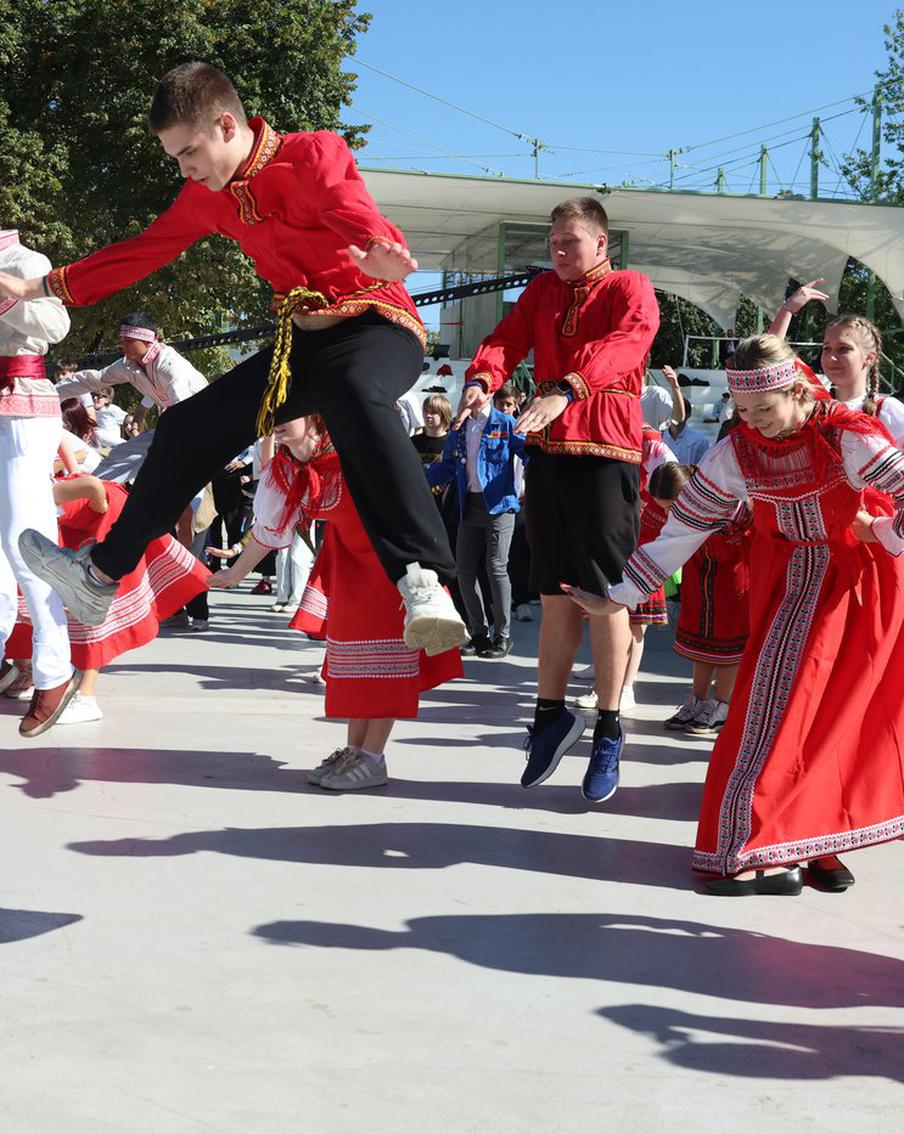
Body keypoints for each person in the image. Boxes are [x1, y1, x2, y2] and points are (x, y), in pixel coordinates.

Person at [4, 61, 464, 657]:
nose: (184, 168)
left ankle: (424, 581)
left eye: (188, 151)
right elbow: (141, 252)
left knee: (353, 390)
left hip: (376, 324)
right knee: (189, 425)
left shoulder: (311, 153)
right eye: (175, 157)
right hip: (299, 346)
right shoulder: (207, 197)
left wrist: (379, 248)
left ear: (226, 125)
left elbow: (346, 202)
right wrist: (35, 289)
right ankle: (99, 576)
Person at [566, 334, 904, 896]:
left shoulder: (847, 435)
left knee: (823, 720)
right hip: (787, 585)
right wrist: (620, 595)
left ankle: (805, 844)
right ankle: (771, 845)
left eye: (764, 409)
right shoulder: (738, 450)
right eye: (743, 410)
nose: (753, 421)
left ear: (798, 390)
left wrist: (885, 533)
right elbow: (684, 528)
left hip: (852, 590)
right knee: (772, 713)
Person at [455, 196, 659, 802]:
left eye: (572, 242)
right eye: (554, 243)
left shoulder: (630, 285)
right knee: (551, 592)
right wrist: (480, 379)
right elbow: (506, 337)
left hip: (607, 449)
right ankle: (550, 715)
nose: (561, 253)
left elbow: (631, 340)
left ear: (602, 244)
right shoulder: (544, 291)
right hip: (547, 449)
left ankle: (609, 726)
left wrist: (569, 387)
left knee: (604, 595)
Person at [210, 415, 462, 789]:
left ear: (314, 418)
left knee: (386, 662)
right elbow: (270, 528)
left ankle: (374, 757)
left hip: (387, 563)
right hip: (346, 562)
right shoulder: (289, 466)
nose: (276, 424)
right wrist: (233, 573)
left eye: (287, 415)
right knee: (353, 664)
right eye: (273, 417)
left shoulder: (355, 452)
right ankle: (355, 751)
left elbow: (409, 505)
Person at [5, 474, 208, 719]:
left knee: (89, 608)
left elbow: (92, 487)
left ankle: (86, 697)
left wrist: (98, 517)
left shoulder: (36, 494)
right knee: (36, 603)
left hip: (104, 527)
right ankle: (25, 670)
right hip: (73, 534)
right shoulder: (18, 498)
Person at [0, 227, 80, 736]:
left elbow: (56, 324)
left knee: (24, 543)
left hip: (24, 408)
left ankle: (56, 670)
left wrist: (7, 292)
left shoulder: (27, 259)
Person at [428, 381, 526, 658]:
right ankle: (478, 632)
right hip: (468, 505)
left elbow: (529, 454)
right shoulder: (460, 429)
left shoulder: (505, 423)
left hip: (499, 506)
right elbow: (447, 466)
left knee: (496, 568)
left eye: (476, 392)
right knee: (464, 569)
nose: (469, 398)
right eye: (465, 393)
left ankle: (502, 635)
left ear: (488, 394)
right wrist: (420, 482)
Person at [662, 397, 712, 464]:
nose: (676, 415)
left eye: (679, 411)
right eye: (673, 411)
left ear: (688, 414)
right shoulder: (660, 439)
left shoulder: (699, 442)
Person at [640, 365, 685, 431]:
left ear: (645, 371)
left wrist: (675, 387)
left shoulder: (656, 394)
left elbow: (678, 418)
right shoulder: (621, 396)